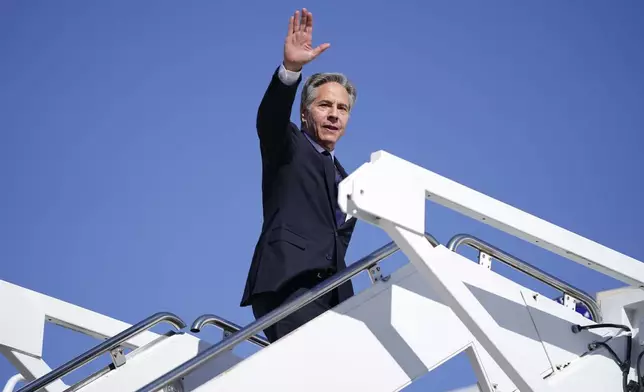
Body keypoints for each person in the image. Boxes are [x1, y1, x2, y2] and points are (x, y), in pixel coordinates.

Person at [239, 8, 358, 343]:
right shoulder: (288, 145)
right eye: (325, 106)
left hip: (334, 297)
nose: (334, 115)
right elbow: (270, 118)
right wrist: (291, 70)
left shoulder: (348, 180)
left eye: (342, 109)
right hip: (287, 284)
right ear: (305, 114)